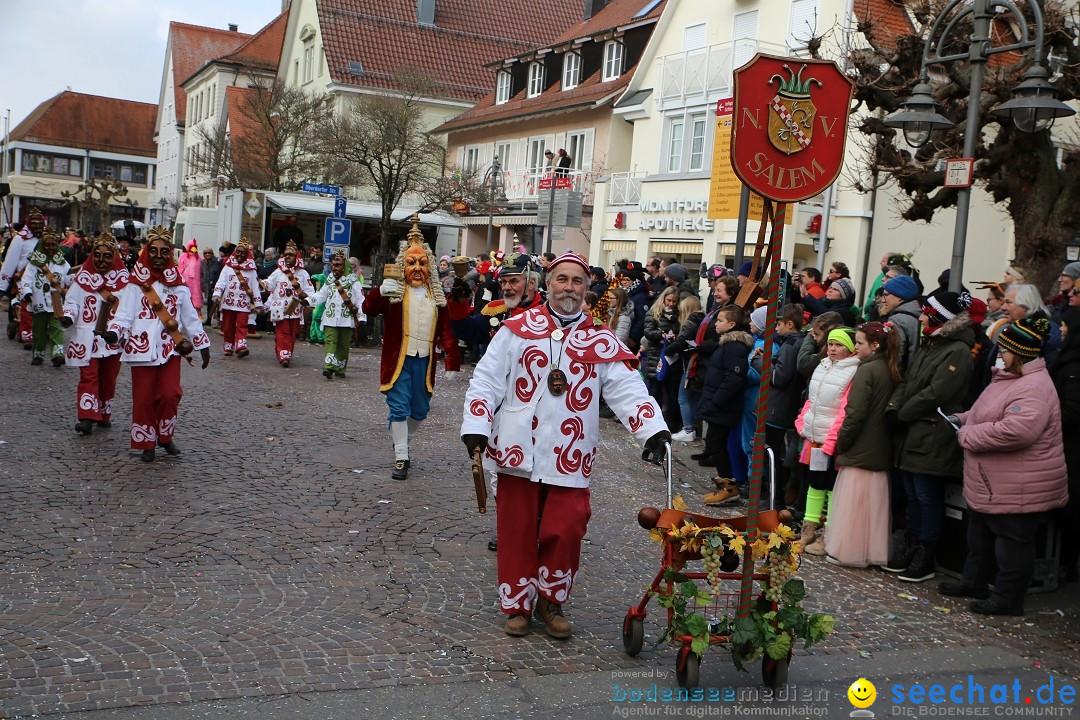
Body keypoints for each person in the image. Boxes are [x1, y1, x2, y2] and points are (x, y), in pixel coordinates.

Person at [460, 250, 669, 638]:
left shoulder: (600, 339)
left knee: (568, 526)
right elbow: (487, 380)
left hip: (570, 453)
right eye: (562, 279)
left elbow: (627, 389)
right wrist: (476, 423)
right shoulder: (516, 328)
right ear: (547, 284)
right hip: (517, 448)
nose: (568, 287)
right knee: (517, 527)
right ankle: (518, 604)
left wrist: (652, 429)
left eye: (577, 281)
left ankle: (551, 600)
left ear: (586, 289)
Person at [943, 316, 1068, 615]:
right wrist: (962, 418)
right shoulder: (1009, 378)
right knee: (979, 537)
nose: (999, 353)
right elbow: (987, 411)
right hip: (992, 482)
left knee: (1012, 546)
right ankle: (973, 582)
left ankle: (1007, 600)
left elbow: (1018, 430)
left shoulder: (1033, 386)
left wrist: (968, 434)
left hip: (1020, 486)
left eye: (1004, 349)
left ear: (1021, 354)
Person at [883, 291, 974, 582]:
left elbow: (937, 392)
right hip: (914, 432)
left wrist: (904, 413)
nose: (921, 317)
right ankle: (911, 544)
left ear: (938, 317)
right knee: (912, 495)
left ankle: (926, 551)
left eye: (925, 313)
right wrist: (894, 406)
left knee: (926, 496)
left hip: (933, 432)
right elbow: (909, 381)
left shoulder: (957, 351)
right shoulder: (930, 343)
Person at [363, 217, 460, 480]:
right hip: (399, 360)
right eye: (411, 262)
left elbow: (447, 331)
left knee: (419, 411)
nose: (417, 268)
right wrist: (380, 291)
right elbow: (368, 309)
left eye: (422, 263)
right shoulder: (394, 292)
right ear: (402, 265)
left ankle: (401, 437)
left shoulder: (436, 297)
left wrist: (452, 359)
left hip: (425, 360)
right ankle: (401, 457)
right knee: (398, 407)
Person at [103, 226, 211, 462]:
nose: (159, 257)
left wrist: (203, 345)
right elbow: (123, 315)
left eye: (164, 252)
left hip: (170, 349)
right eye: (154, 251)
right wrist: (114, 333)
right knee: (143, 398)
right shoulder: (134, 285)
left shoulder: (179, 285)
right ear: (146, 253)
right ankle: (146, 442)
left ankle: (165, 436)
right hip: (141, 350)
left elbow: (190, 317)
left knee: (171, 394)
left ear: (170, 254)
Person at [827, 322, 902, 567]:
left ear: (875, 345)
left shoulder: (867, 371)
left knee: (854, 504)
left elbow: (855, 412)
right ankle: (872, 551)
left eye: (859, 343)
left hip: (862, 445)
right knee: (874, 505)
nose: (855, 347)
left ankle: (850, 551)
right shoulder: (888, 369)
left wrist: (843, 441)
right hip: (880, 446)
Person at [794, 327, 861, 554]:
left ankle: (829, 532)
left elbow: (845, 410)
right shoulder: (822, 365)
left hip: (831, 439)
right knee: (815, 484)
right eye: (831, 343)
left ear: (851, 349)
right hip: (814, 437)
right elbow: (812, 400)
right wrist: (802, 422)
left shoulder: (853, 371)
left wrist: (831, 440)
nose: (833, 348)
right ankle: (808, 529)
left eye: (839, 344)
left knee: (831, 487)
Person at [61, 232, 128, 434]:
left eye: (107, 256)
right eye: (97, 255)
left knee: (108, 379)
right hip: (87, 338)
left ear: (114, 256)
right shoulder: (83, 279)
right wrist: (68, 316)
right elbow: (72, 302)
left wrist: (119, 332)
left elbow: (128, 311)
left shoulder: (125, 282)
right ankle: (87, 416)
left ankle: (104, 413)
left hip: (111, 340)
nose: (101, 260)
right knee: (88, 376)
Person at [697, 305, 755, 506]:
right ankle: (726, 484)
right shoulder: (726, 345)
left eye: (720, 320)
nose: (716, 324)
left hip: (724, 406)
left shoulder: (735, 347)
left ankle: (729, 486)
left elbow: (733, 379)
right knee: (715, 442)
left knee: (715, 442)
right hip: (719, 403)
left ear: (731, 324)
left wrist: (716, 403)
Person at [19, 228, 71, 366]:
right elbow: (26, 280)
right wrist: (27, 292)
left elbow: (69, 277)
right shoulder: (34, 263)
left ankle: (57, 355)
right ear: (42, 245)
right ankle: (38, 354)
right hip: (39, 301)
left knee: (56, 329)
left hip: (56, 302)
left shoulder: (63, 263)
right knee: (39, 331)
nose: (50, 248)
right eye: (47, 245)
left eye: (53, 245)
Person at [310, 250, 365, 379]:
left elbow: (361, 300)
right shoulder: (329, 281)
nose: (334, 268)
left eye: (338, 265)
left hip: (346, 320)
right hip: (330, 318)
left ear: (344, 265)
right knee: (330, 340)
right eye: (332, 265)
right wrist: (307, 300)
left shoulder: (353, 282)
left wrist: (361, 316)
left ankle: (340, 368)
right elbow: (321, 296)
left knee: (343, 345)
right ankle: (329, 367)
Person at [263, 239, 315, 367]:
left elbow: (310, 291)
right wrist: (261, 283)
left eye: (290, 255)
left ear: (296, 256)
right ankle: (284, 355)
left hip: (295, 310)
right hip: (280, 309)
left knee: (292, 334)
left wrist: (307, 299)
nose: (287, 257)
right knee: (283, 331)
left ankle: (284, 352)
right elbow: (269, 284)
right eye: (285, 255)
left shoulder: (303, 274)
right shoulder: (279, 272)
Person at [212, 238, 263, 358]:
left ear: (247, 254)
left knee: (242, 325)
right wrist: (217, 295)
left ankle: (241, 347)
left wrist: (258, 304)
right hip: (228, 302)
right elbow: (221, 282)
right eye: (238, 252)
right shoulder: (228, 267)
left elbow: (255, 287)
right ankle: (228, 345)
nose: (240, 255)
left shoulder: (251, 270)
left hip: (243, 303)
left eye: (243, 253)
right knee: (228, 326)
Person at [2, 209, 45, 347]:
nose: (38, 226)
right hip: (24, 279)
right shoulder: (20, 239)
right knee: (26, 306)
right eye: (35, 223)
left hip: (44, 279)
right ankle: (26, 332)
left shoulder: (47, 239)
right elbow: (10, 262)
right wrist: (2, 286)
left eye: (40, 223)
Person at [877, 274, 922, 370]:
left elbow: (894, 358)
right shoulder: (920, 315)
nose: (883, 300)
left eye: (886, 295)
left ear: (900, 297)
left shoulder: (897, 320)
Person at [177, 238, 202, 319]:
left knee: (196, 299)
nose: (193, 248)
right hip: (185, 281)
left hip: (196, 283)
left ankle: (198, 317)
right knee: (185, 297)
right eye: (192, 246)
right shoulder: (183, 256)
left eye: (195, 246)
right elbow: (180, 269)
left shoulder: (199, 258)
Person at [200, 248, 221, 324]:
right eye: (205, 253)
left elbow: (218, 273)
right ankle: (209, 320)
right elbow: (201, 273)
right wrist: (202, 283)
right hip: (206, 285)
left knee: (215, 303)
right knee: (209, 302)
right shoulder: (202, 262)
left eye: (209, 253)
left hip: (214, 285)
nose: (207, 254)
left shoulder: (216, 262)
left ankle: (217, 320)